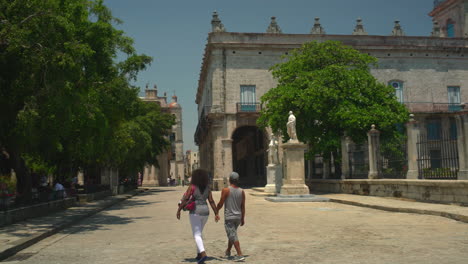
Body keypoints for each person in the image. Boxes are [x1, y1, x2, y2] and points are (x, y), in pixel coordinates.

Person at [177, 169, 219, 264]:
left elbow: (186, 198)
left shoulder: (192, 187)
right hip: (205, 211)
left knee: (196, 234)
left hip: (195, 211)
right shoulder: (207, 188)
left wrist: (179, 210)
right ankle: (199, 254)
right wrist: (216, 213)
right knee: (199, 233)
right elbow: (211, 201)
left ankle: (203, 253)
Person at [216, 172, 246, 262]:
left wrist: (216, 211)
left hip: (229, 217)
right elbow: (243, 206)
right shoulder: (242, 191)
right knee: (232, 234)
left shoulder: (226, 190)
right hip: (238, 217)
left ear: (230, 180)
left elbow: (221, 203)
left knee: (232, 235)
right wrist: (242, 218)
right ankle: (228, 251)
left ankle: (240, 254)